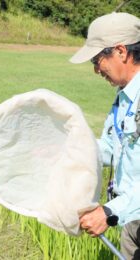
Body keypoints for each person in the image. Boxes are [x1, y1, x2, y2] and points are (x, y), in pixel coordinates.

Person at [70, 12, 140, 259]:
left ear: (121, 51)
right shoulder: (124, 97)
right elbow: (112, 147)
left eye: (97, 60)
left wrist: (108, 212)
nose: (96, 70)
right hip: (132, 218)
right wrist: (70, 151)